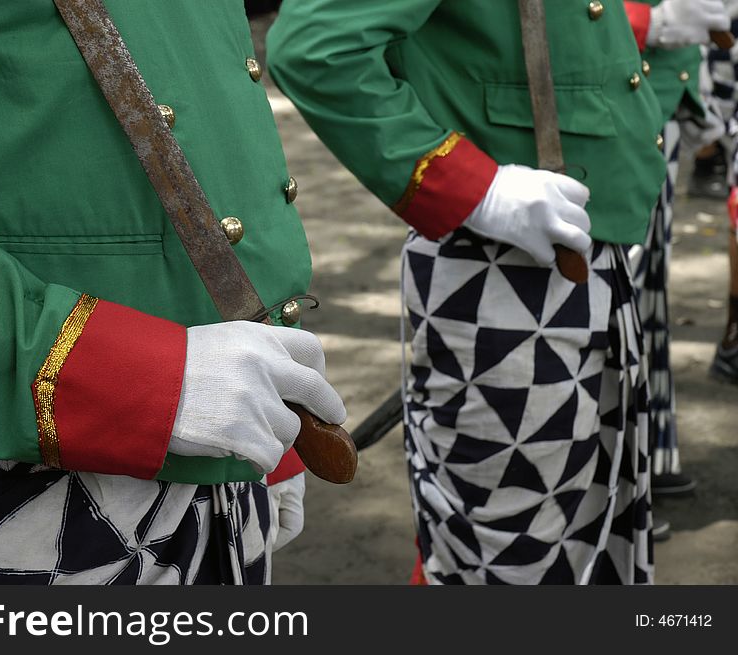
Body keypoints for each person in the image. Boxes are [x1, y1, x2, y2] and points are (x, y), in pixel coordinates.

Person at [0, 0, 346, 585]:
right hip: (16, 483)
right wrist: (141, 381)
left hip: (229, 445)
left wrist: (276, 422)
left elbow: (189, 90)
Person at [268, 0, 666, 584]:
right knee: (506, 562)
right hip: (499, 265)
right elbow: (314, 49)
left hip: (568, 251)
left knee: (588, 532)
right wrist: (477, 190)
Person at [622, 0, 732, 500]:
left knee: (645, 291)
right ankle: (621, 475)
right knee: (616, 296)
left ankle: (647, 458)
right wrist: (659, 25)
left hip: (655, 97)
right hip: (610, 105)